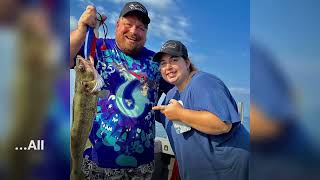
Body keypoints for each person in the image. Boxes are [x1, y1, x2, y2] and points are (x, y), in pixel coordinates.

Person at [70, 2, 171, 179]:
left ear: (146, 33)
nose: (133, 31)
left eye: (140, 27)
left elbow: (181, 89)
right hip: (96, 163)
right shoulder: (97, 48)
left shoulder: (157, 63)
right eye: (128, 24)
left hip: (142, 165)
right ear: (117, 25)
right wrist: (80, 30)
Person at [152, 40, 250, 180]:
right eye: (163, 63)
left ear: (187, 63)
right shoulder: (171, 94)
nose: (168, 67)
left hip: (226, 171)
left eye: (174, 60)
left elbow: (222, 124)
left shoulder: (204, 82)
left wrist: (180, 113)